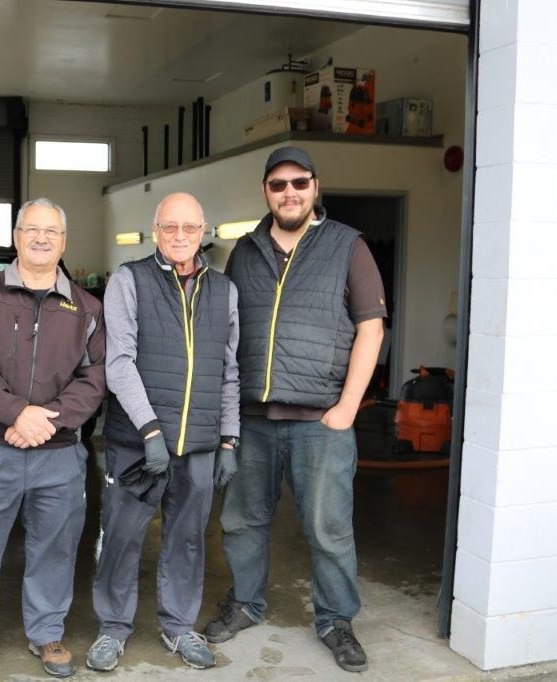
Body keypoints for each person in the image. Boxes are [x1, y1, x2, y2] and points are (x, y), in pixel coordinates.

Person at [205, 146, 386, 673]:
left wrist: (347, 408)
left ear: (315, 187)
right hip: (253, 419)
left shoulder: (346, 246)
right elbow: (230, 333)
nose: (289, 192)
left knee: (328, 528)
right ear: (265, 190)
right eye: (279, 184)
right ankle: (245, 603)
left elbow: (371, 329)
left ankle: (336, 621)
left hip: (319, 421)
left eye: (299, 183)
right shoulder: (245, 250)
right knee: (241, 521)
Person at [0, 198, 107, 682]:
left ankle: (47, 632)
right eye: (32, 230)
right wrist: (18, 413)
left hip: (57, 452)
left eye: (51, 232)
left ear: (64, 242)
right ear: (17, 236)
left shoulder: (86, 307)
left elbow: (94, 378)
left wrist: (45, 422)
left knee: (56, 545)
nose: (41, 239)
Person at [87, 192, 240, 672]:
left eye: (189, 228)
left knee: (188, 539)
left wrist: (229, 439)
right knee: (121, 536)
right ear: (155, 230)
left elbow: (228, 371)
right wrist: (150, 429)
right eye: (169, 227)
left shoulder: (225, 291)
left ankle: (178, 626)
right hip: (137, 445)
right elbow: (119, 362)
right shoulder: (130, 281)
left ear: (204, 232)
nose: (179, 236)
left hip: (197, 446)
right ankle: (113, 628)